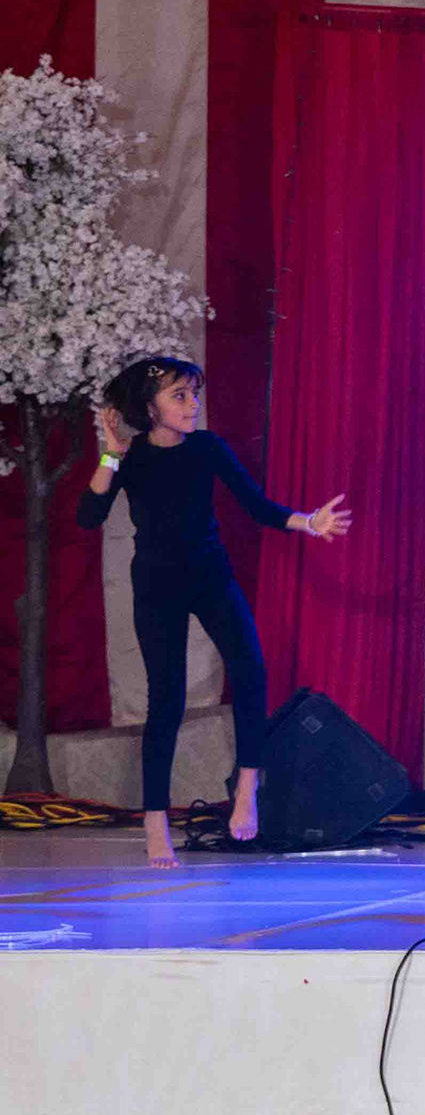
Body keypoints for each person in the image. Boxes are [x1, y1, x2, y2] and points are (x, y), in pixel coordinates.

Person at [81, 355, 353, 864]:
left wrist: (308, 522)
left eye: (194, 394)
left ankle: (247, 786)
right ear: (151, 407)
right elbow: (87, 515)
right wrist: (111, 454)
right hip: (157, 584)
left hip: (210, 574)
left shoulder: (207, 447)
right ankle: (155, 819)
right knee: (166, 701)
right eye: (180, 396)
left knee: (250, 669)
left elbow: (257, 506)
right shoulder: (131, 458)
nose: (193, 404)